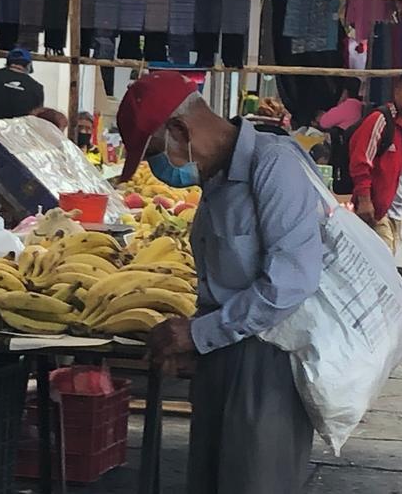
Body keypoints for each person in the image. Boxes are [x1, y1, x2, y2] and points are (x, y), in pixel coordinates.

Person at [118, 71, 322, 494]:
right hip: (221, 352)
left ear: (179, 129)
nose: (160, 170)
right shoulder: (215, 179)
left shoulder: (273, 164)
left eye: (156, 153)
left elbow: (291, 281)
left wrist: (199, 333)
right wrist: (198, 342)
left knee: (254, 480)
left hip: (269, 362)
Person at [349, 70, 402, 253]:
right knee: (381, 267)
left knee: (386, 264)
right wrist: (365, 199)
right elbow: (361, 161)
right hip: (377, 211)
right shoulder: (381, 120)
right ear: (397, 92)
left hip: (396, 212)